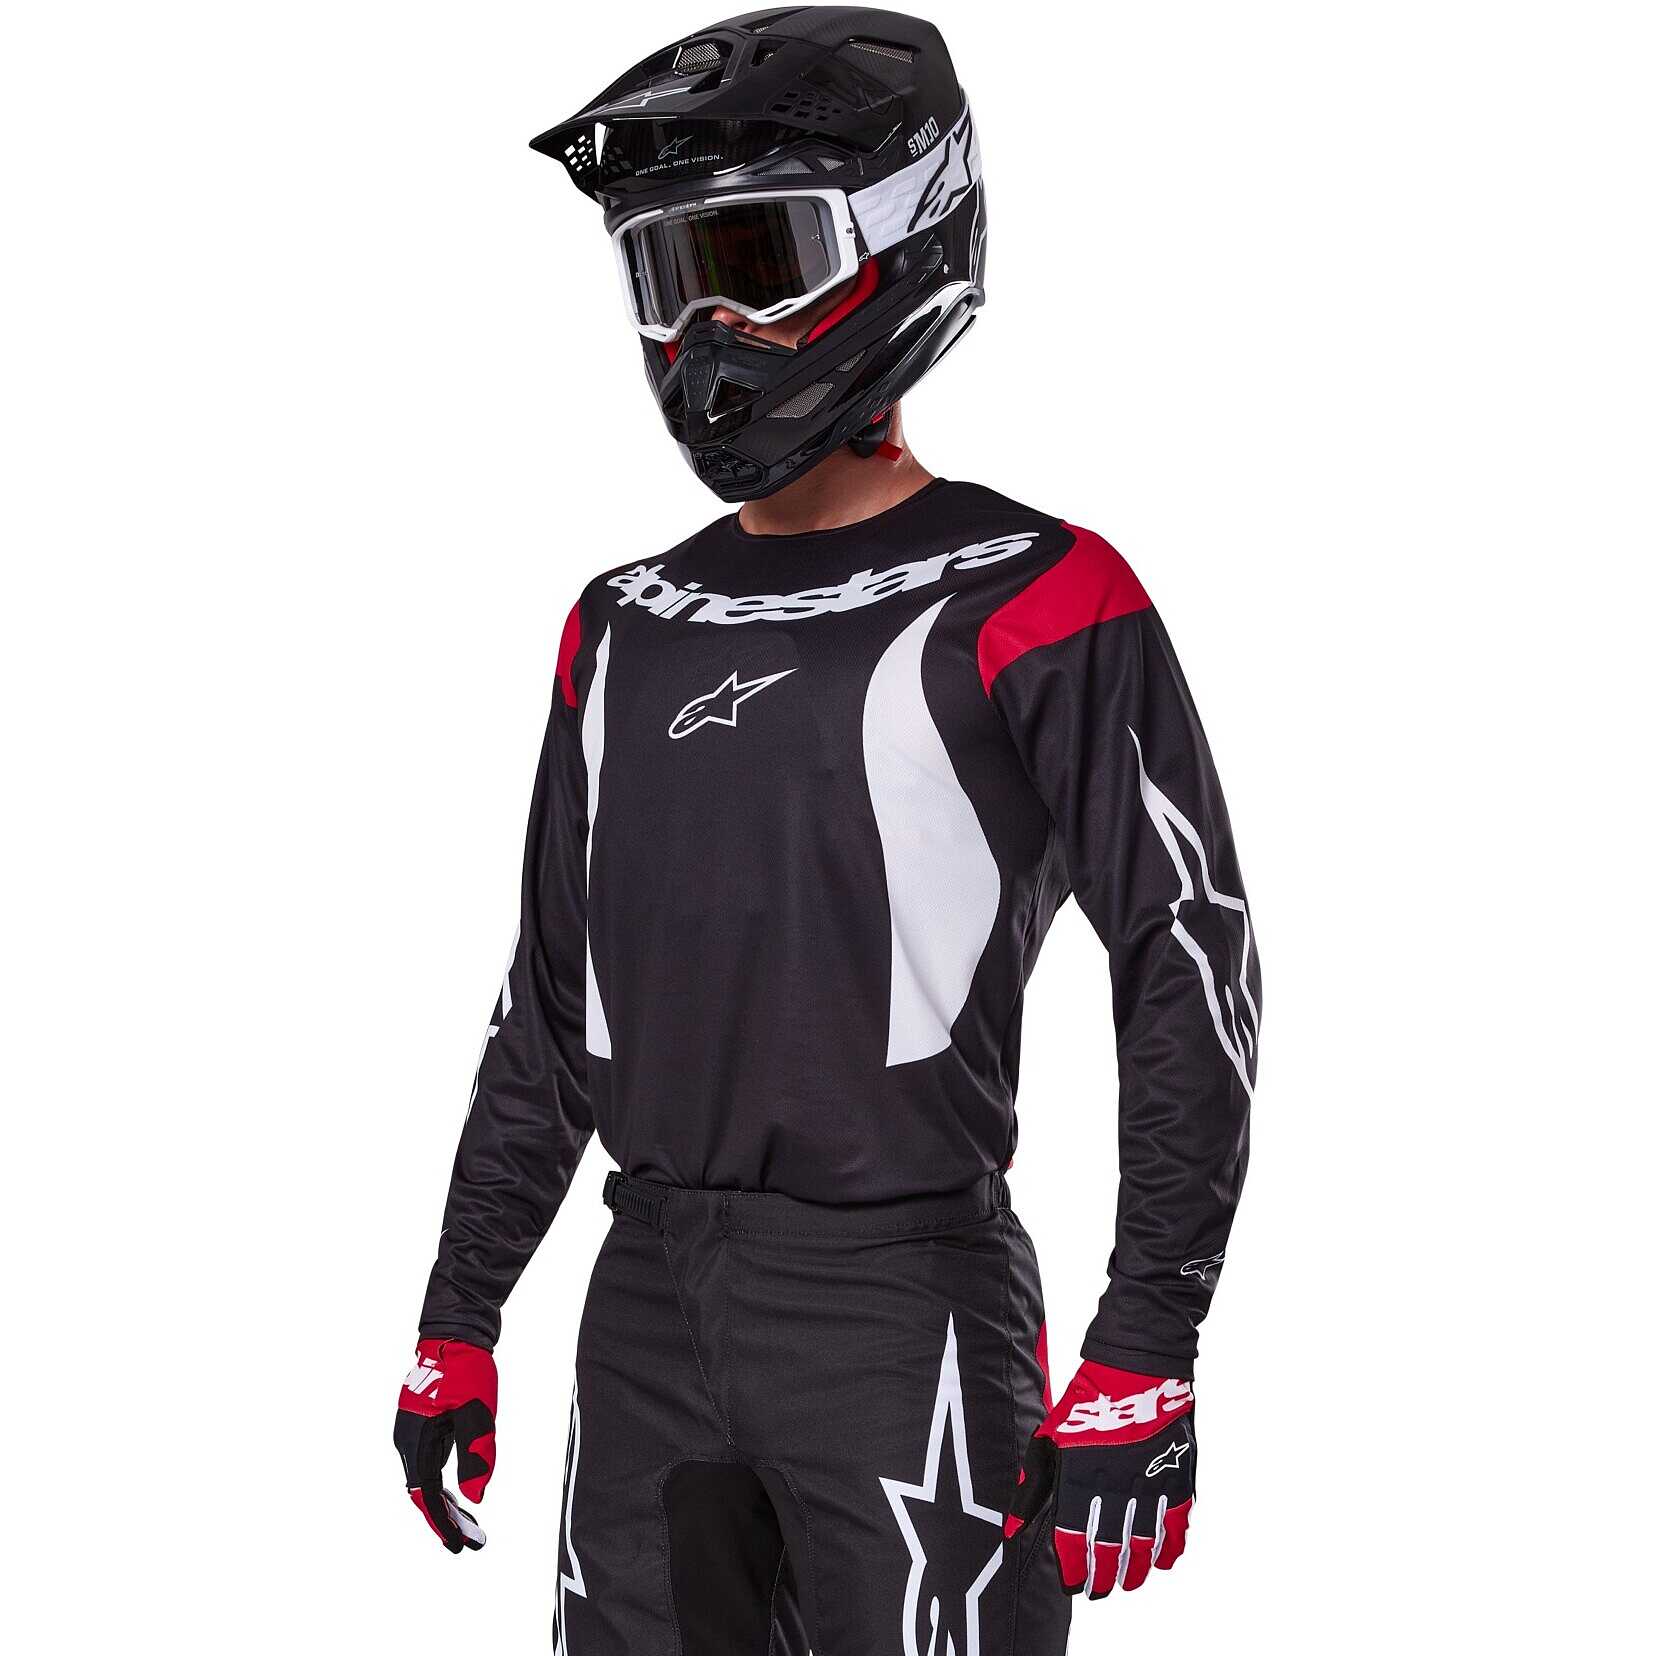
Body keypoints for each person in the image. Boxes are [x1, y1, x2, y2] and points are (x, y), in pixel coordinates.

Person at [394, 10, 1259, 1653]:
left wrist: (1149, 1337)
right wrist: (460, 1311)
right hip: (646, 1309)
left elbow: (1186, 955)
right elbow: (554, 1006)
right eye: (665, 275)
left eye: (754, 260)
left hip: (900, 1310)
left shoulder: (1038, 597)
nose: (704, 326)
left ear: (903, 234)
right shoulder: (618, 626)